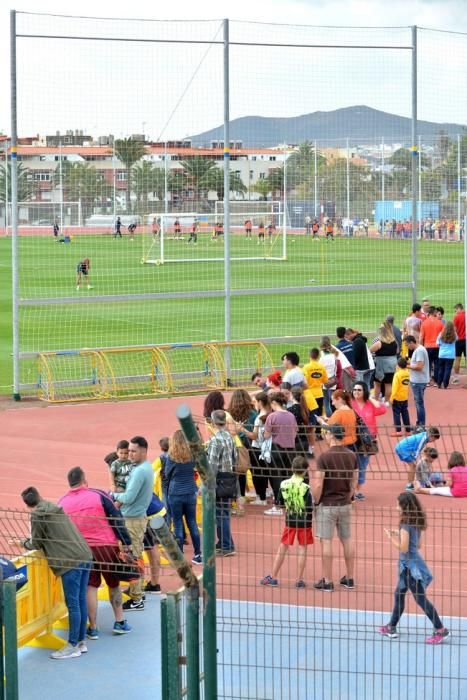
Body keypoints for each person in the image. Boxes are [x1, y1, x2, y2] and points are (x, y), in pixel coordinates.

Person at [58, 467, 132, 639]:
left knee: (91, 587)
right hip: (106, 546)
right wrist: (126, 542)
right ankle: (120, 621)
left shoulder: (62, 502)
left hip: (82, 550)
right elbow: (116, 517)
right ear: (85, 480)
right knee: (113, 584)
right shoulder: (98, 494)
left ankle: (93, 627)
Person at [20, 486, 93, 659]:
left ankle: (73, 645)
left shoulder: (38, 515)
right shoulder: (54, 508)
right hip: (84, 555)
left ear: (27, 504)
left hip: (69, 562)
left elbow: (36, 543)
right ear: (39, 495)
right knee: (81, 599)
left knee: (73, 603)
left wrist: (22, 543)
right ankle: (81, 641)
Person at [378, 492, 449, 644]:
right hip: (414, 563)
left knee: (421, 599)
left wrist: (392, 538)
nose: (396, 507)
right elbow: (417, 544)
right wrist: (399, 533)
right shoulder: (415, 521)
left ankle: (440, 629)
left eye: (398, 504)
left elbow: (403, 548)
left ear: (405, 507)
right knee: (399, 594)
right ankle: (391, 626)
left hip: (410, 568)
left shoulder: (405, 524)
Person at [312, 424, 357, 592]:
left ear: (331, 435)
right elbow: (354, 481)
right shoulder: (352, 456)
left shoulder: (324, 457)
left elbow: (318, 484)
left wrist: (316, 502)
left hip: (327, 504)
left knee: (326, 541)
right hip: (345, 503)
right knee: (347, 539)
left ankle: (328, 580)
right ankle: (350, 578)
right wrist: (349, 497)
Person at [111, 436, 154, 611]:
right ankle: (136, 589)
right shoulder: (145, 467)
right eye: (128, 450)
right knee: (135, 554)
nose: (129, 454)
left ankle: (137, 599)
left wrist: (113, 495)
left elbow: (128, 497)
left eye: (133, 451)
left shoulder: (139, 472)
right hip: (137, 517)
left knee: (133, 557)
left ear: (143, 451)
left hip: (133, 520)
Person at [260, 456, 313, 588]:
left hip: (290, 519)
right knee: (302, 547)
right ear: (305, 471)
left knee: (283, 547)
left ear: (292, 469)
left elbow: (279, 504)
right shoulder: (306, 487)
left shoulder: (284, 484)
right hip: (304, 520)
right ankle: (299, 580)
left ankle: (273, 576)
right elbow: (309, 507)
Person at [165, 430, 202, 564]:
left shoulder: (171, 457)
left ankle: (180, 555)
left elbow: (167, 474)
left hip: (175, 493)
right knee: (192, 522)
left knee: (178, 523)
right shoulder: (192, 455)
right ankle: (198, 553)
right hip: (190, 491)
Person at [206, 410, 238, 556]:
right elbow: (235, 458)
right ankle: (226, 543)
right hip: (230, 476)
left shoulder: (215, 440)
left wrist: (208, 483)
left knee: (220, 514)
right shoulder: (230, 438)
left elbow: (212, 465)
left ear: (213, 422)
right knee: (224, 512)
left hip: (219, 478)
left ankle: (226, 546)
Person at [263, 391, 298, 515]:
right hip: (290, 449)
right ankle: (290, 503)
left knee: (277, 476)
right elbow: (295, 432)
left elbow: (266, 435)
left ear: (273, 403)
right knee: (289, 475)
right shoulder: (291, 415)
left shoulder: (272, 416)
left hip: (277, 448)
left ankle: (278, 504)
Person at [351, 382, 386, 499]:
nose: (356, 392)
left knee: (362, 466)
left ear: (364, 391)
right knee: (350, 465)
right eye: (354, 389)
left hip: (367, 441)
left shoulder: (369, 404)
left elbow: (382, 409)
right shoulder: (350, 404)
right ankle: (349, 490)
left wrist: (370, 398)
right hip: (352, 439)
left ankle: (357, 491)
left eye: (359, 390)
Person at [244, 391, 272, 505]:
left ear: (260, 402)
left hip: (257, 448)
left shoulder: (259, 418)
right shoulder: (270, 414)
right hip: (267, 447)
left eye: (256, 401)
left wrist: (242, 429)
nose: (254, 403)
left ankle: (261, 498)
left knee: (257, 473)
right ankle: (265, 493)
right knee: (265, 472)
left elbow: (254, 436)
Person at [369, 321, 398, 403]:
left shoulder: (379, 343)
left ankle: (376, 400)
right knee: (388, 384)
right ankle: (387, 401)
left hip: (381, 366)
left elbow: (369, 350)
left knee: (377, 384)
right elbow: (397, 351)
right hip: (392, 365)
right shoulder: (394, 342)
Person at [405, 335, 430, 428]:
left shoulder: (419, 351)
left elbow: (419, 366)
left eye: (407, 345)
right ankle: (419, 423)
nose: (407, 347)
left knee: (419, 404)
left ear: (412, 342)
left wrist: (406, 366)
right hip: (419, 380)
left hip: (418, 381)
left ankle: (421, 425)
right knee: (418, 403)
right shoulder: (419, 349)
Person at [303, 348, 328, 431]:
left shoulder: (306, 367)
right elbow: (325, 380)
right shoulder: (321, 367)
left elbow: (304, 380)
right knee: (319, 413)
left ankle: (310, 431)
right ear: (318, 356)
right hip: (319, 393)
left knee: (309, 413)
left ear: (309, 355)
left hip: (309, 394)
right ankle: (318, 432)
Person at [419, 306, 444, 383]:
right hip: (437, 346)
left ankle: (428, 380)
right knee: (437, 364)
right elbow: (442, 336)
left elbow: (421, 337)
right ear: (433, 313)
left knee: (427, 364)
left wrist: (421, 347)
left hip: (427, 346)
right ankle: (436, 381)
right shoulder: (440, 323)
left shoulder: (424, 323)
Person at [389, 357, 412, 437]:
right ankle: (408, 430)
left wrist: (392, 397)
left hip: (397, 398)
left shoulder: (397, 375)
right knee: (405, 413)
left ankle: (398, 431)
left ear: (398, 366)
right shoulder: (407, 373)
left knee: (396, 414)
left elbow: (395, 387)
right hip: (404, 397)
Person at [319, 337, 340, 417]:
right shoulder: (334, 355)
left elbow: (320, 370)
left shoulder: (322, 358)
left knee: (327, 403)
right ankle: (336, 418)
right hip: (333, 380)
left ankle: (330, 420)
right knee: (334, 402)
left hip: (325, 382)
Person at [436, 320, 457, 389]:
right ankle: (445, 385)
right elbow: (456, 340)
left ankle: (439, 383)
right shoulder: (454, 334)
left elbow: (437, 344)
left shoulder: (441, 334)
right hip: (450, 355)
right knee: (448, 369)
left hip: (442, 354)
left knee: (441, 369)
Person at [452, 303, 466, 384]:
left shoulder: (456, 317)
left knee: (457, 359)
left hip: (459, 340)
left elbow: (454, 330)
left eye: (456, 310)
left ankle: (456, 378)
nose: (455, 312)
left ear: (459, 308)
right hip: (466, 340)